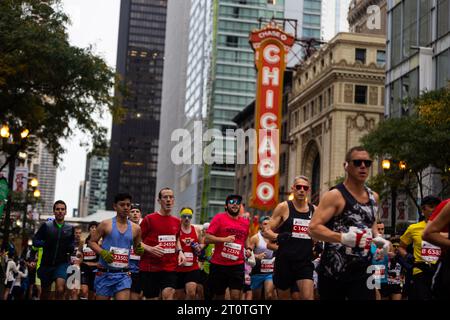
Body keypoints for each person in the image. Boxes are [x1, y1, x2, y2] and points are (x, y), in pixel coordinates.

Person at [309, 146, 388, 300]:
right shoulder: (335, 196)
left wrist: (378, 238)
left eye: (367, 163)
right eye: (357, 162)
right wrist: (342, 238)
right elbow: (313, 228)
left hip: (363, 270)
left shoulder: (374, 197)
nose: (363, 166)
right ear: (346, 165)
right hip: (334, 270)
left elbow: (369, 222)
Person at [262, 175, 316, 300]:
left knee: (308, 298)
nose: (301, 190)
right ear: (293, 188)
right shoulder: (284, 207)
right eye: (298, 187)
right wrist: (279, 236)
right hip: (284, 262)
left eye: (305, 187)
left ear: (308, 190)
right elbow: (266, 231)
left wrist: (319, 243)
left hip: (304, 262)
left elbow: (318, 232)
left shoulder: (314, 210)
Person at [89, 193, 143, 300]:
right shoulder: (106, 224)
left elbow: (137, 249)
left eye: (128, 205)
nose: (126, 207)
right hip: (104, 274)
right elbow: (91, 242)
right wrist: (103, 252)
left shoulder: (136, 228)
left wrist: (139, 250)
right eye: (122, 205)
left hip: (123, 275)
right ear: (115, 206)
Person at [139, 188, 186, 300]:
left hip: (169, 267)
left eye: (171, 197)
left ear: (173, 200)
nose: (168, 200)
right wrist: (149, 248)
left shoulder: (177, 221)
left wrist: (180, 252)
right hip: (150, 267)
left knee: (168, 294)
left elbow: (176, 239)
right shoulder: (149, 219)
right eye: (165, 197)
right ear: (159, 201)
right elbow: (136, 241)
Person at [205, 194, 251, 300]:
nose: (235, 204)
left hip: (237, 265)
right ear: (226, 206)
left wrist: (248, 249)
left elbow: (246, 237)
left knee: (236, 296)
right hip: (219, 265)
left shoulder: (245, 222)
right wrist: (224, 239)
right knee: (219, 295)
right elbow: (207, 238)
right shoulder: (219, 218)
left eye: (237, 202)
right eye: (231, 202)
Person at [398, 195, 441, 300]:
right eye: (431, 206)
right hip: (420, 271)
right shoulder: (413, 228)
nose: (434, 209)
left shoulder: (445, 227)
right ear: (423, 209)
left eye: (437, 207)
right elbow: (401, 247)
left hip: (440, 271)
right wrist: (407, 256)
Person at [33, 200, 75, 300]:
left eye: (62, 209)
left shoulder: (70, 228)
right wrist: (45, 243)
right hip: (46, 264)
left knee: (60, 289)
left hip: (62, 264)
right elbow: (35, 241)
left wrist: (71, 248)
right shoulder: (46, 226)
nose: (60, 211)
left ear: (65, 212)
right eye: (57, 209)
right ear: (54, 211)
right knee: (45, 293)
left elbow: (72, 245)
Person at [423, 200, 450, 300]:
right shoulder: (447, 204)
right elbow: (428, 233)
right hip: (434, 267)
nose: (433, 209)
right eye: (430, 206)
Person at [175, 207, 202, 300]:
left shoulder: (197, 230)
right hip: (178, 267)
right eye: (184, 216)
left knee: (191, 293)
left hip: (192, 267)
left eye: (189, 216)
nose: (187, 218)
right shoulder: (176, 229)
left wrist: (199, 247)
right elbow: (174, 243)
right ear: (181, 217)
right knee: (179, 296)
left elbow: (202, 243)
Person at [249, 216, 276, 300]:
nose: (267, 226)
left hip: (270, 272)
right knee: (256, 297)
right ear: (260, 225)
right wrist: (257, 256)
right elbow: (248, 254)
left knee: (269, 295)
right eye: (265, 224)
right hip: (257, 271)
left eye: (269, 224)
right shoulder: (255, 238)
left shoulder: (275, 237)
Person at [80, 221, 99, 300]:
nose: (94, 229)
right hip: (85, 269)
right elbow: (79, 256)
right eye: (92, 227)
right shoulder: (83, 242)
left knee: (92, 294)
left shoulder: (101, 243)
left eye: (95, 227)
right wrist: (80, 260)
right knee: (84, 291)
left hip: (95, 270)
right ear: (89, 230)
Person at [128, 203, 143, 300]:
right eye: (132, 211)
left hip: (140, 270)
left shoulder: (145, 230)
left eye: (137, 211)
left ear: (140, 214)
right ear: (128, 214)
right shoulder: (123, 228)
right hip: (125, 270)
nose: (135, 213)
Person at [66, 226, 82, 300]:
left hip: (78, 270)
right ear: (73, 234)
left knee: (75, 291)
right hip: (67, 268)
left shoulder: (83, 244)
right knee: (66, 291)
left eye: (79, 233)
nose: (78, 235)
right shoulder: (68, 243)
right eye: (76, 233)